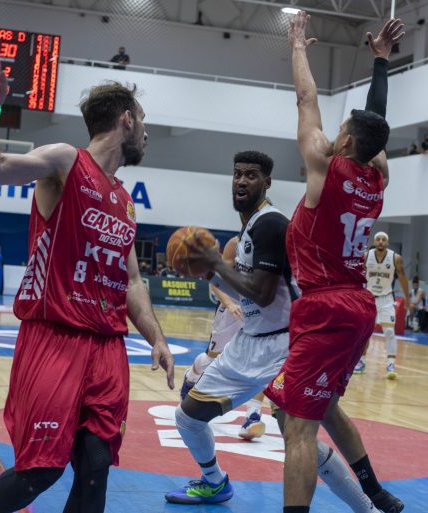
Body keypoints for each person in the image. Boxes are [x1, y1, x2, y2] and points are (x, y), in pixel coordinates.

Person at [0, 60, 174, 513]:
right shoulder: (66, 162)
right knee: (40, 471)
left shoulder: (125, 201)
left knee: (96, 466)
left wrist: (156, 338)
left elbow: (132, 280)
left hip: (107, 347)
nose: (146, 134)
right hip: (55, 338)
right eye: (143, 122)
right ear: (127, 120)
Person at [166, 152, 380, 512]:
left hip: (283, 345)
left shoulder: (271, 223)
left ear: (267, 182)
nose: (241, 181)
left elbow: (263, 295)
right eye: (237, 174)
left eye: (251, 175)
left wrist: (216, 263)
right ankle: (215, 482)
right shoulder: (249, 227)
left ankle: (367, 507)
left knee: (299, 438)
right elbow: (247, 291)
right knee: (187, 417)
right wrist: (210, 272)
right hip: (248, 342)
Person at [263, 13, 405, 513]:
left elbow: (307, 100)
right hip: (358, 306)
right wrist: (381, 63)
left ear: (344, 141)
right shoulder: (378, 177)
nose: (335, 130)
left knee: (297, 428)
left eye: (341, 128)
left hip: (325, 306)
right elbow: (375, 126)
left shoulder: (324, 166)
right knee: (324, 406)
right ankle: (374, 491)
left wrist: (298, 47)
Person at [178, 236, 265, 440]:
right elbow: (215, 281)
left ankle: (252, 416)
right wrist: (229, 303)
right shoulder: (235, 244)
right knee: (212, 359)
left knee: (259, 362)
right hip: (231, 307)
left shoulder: (272, 243)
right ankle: (191, 376)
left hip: (258, 307)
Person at [358, 232, 412, 379]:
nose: (381, 241)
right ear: (374, 241)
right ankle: (361, 361)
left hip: (387, 299)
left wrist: (407, 298)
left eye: (384, 240)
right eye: (378, 239)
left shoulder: (395, 258)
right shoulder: (365, 256)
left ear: (387, 243)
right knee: (365, 332)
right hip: (369, 299)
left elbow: (403, 278)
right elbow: (357, 276)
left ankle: (391, 364)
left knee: (389, 331)